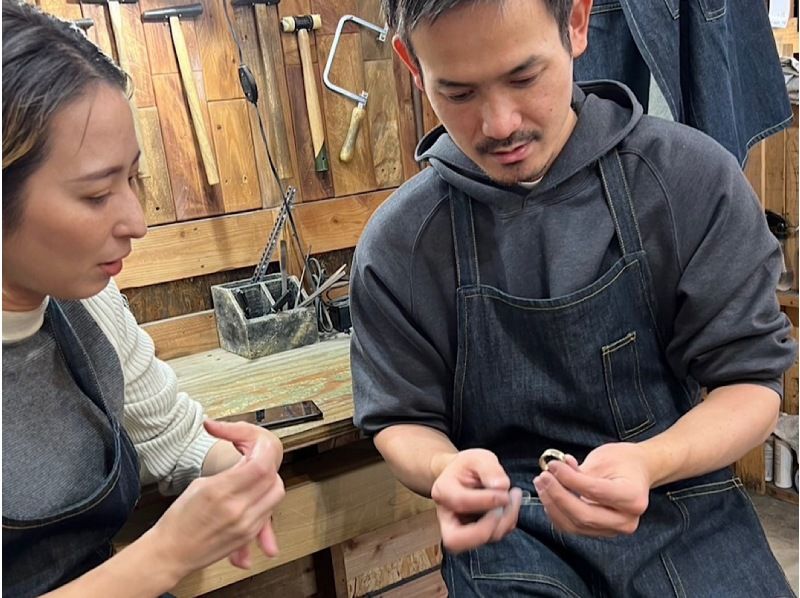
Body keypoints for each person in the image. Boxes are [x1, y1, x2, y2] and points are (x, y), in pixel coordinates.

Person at [350, 0, 797, 595]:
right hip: (512, 528)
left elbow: (750, 385)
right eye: (458, 93)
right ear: (412, 64)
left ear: (577, 23)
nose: (500, 124)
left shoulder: (689, 181)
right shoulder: (402, 242)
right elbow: (402, 416)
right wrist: (441, 469)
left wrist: (649, 462)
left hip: (679, 501)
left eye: (523, 77)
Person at [2, 2, 285, 596]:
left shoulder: (87, 302)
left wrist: (240, 470)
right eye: (98, 193)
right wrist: (166, 554)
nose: (137, 221)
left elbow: (176, 438)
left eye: (135, 179)